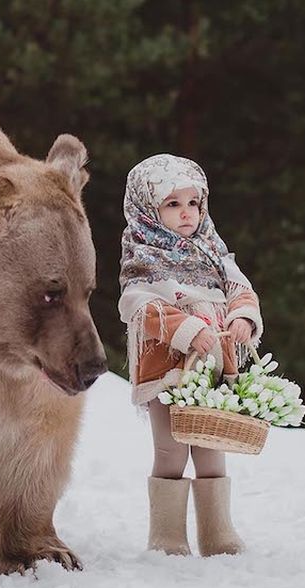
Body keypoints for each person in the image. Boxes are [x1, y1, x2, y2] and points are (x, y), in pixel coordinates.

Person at [118, 154, 263, 556]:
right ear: (148, 209)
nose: (187, 214)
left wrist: (242, 319)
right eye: (173, 204)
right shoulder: (144, 258)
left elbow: (241, 290)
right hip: (168, 372)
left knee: (209, 443)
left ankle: (218, 532)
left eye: (193, 203)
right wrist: (188, 329)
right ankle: (166, 534)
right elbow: (136, 306)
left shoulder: (214, 252)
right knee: (170, 447)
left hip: (214, 369)